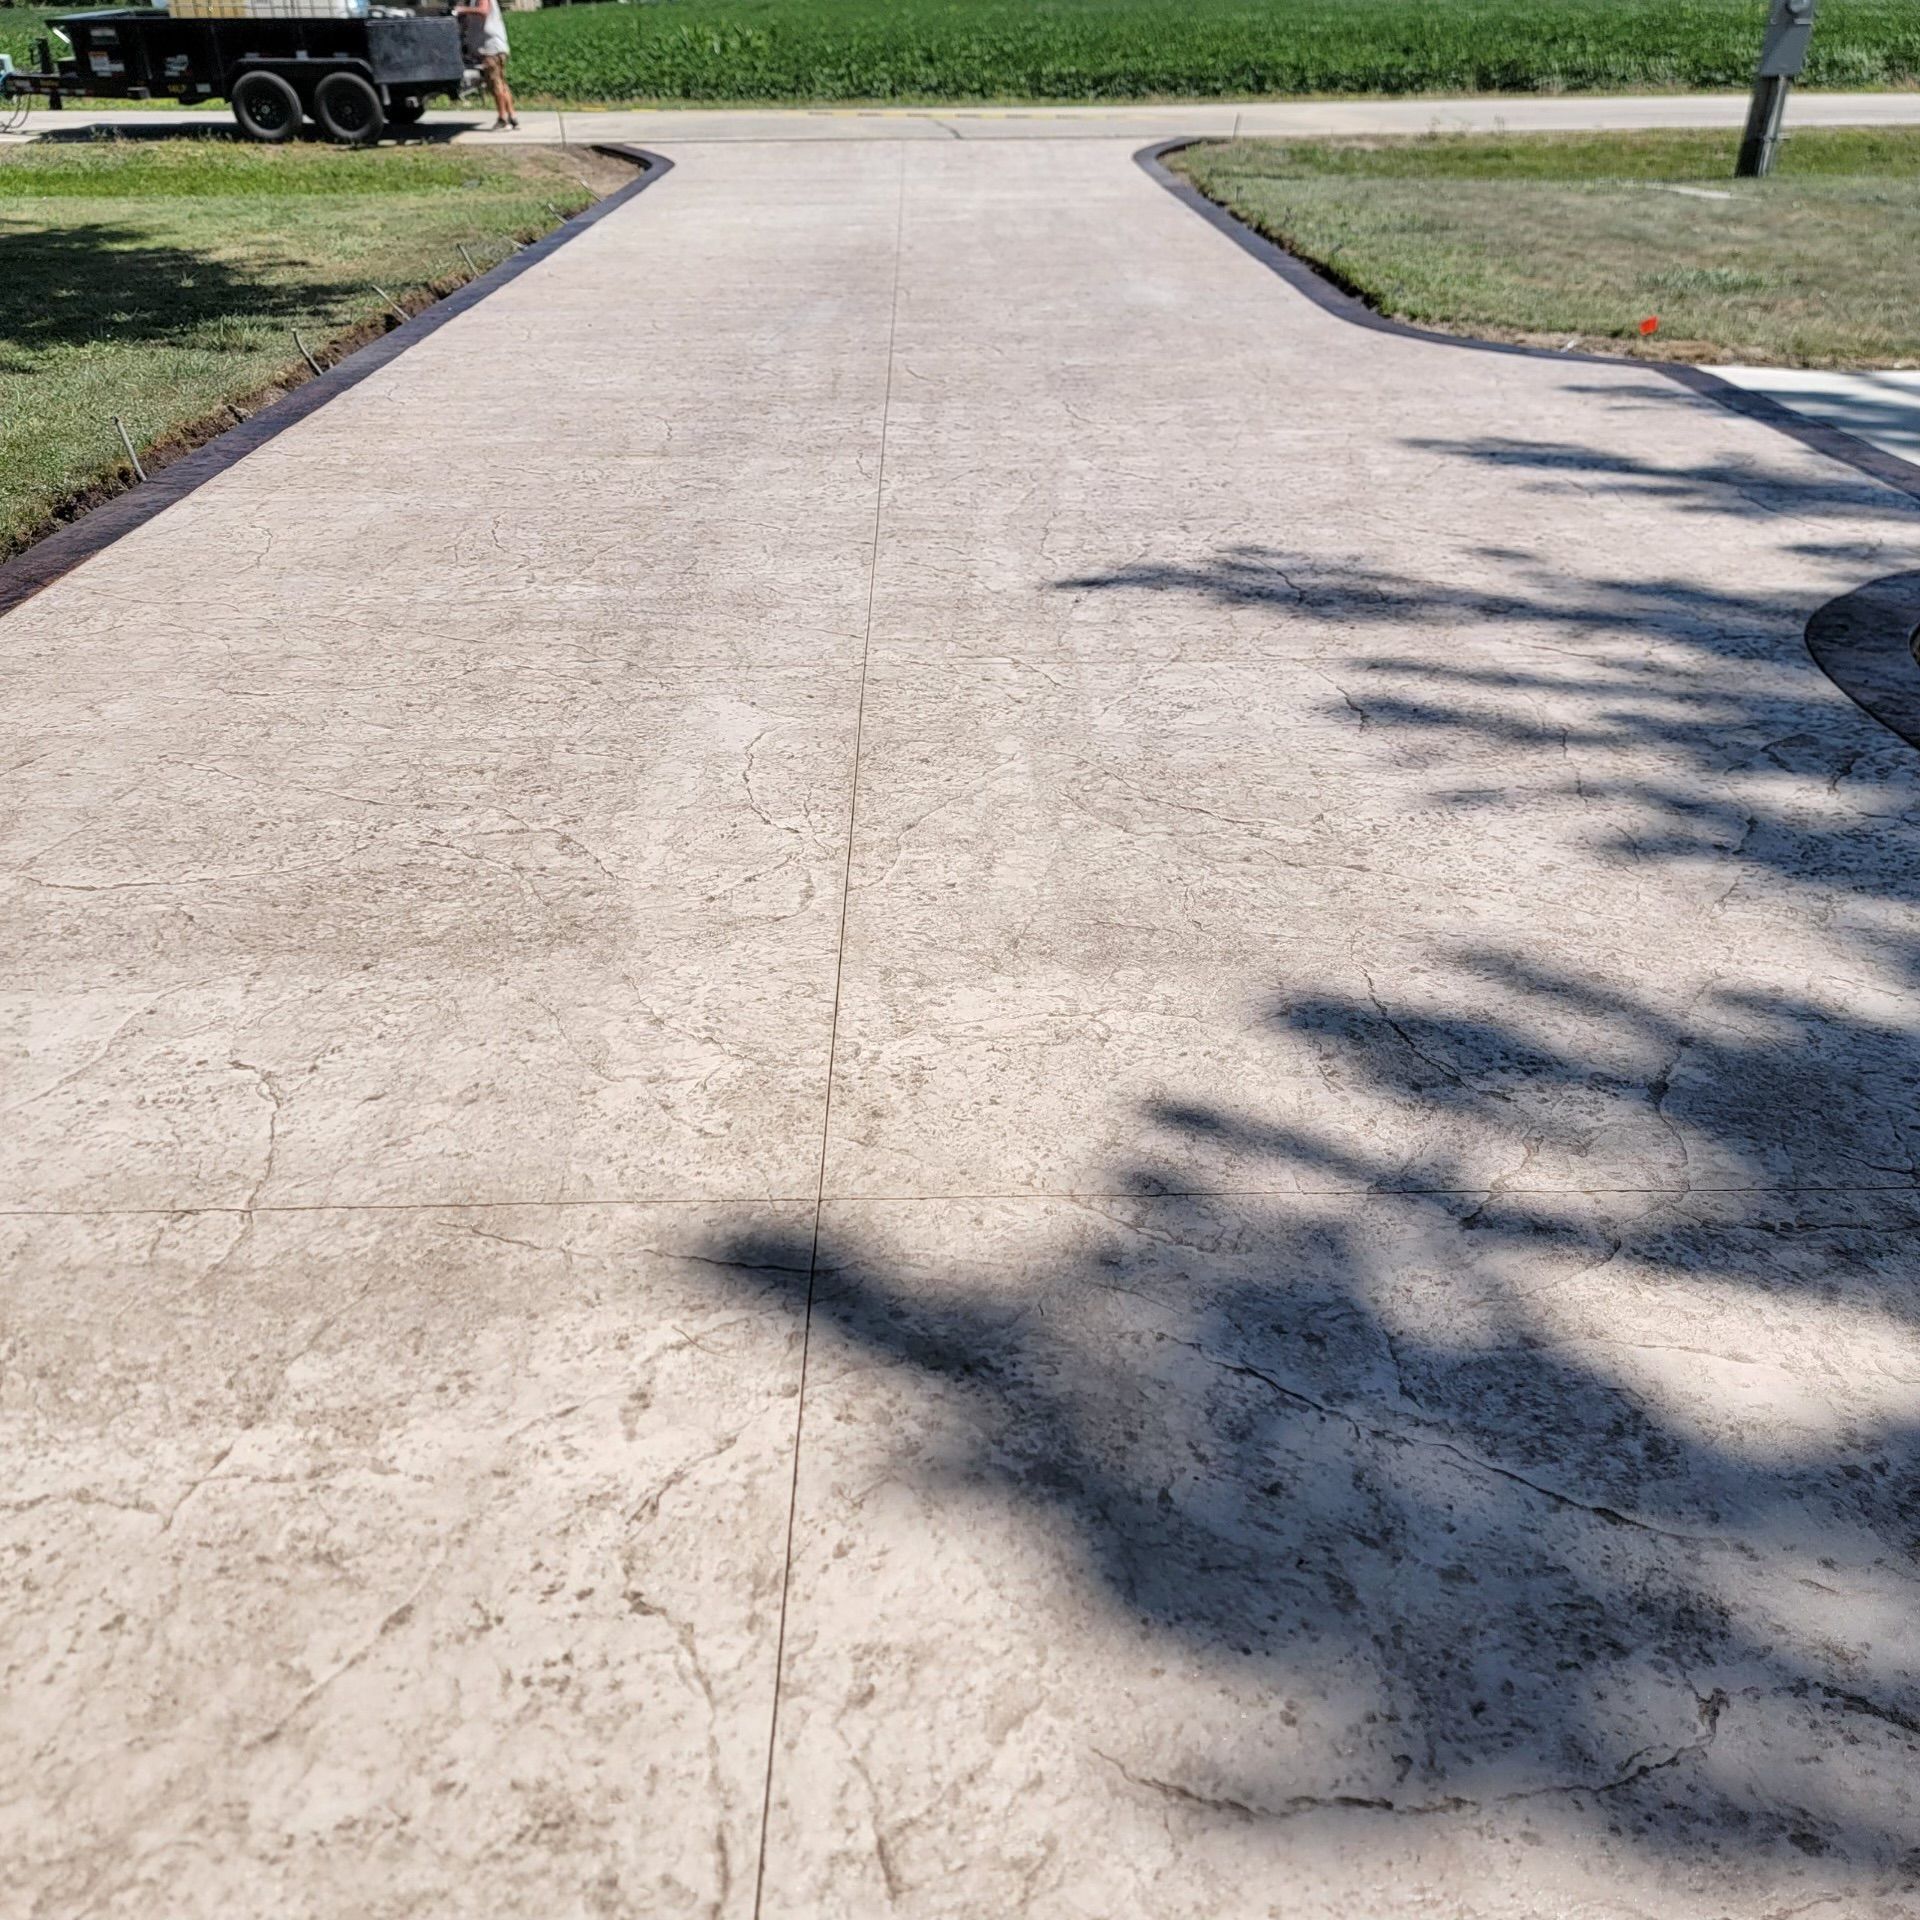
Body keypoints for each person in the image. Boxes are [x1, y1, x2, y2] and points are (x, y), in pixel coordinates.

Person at [455, 0, 518, 132]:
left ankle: (503, 119)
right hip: (495, 47)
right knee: (501, 83)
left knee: (495, 84)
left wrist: (461, 10)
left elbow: (483, 10)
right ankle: (512, 116)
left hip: (490, 49)